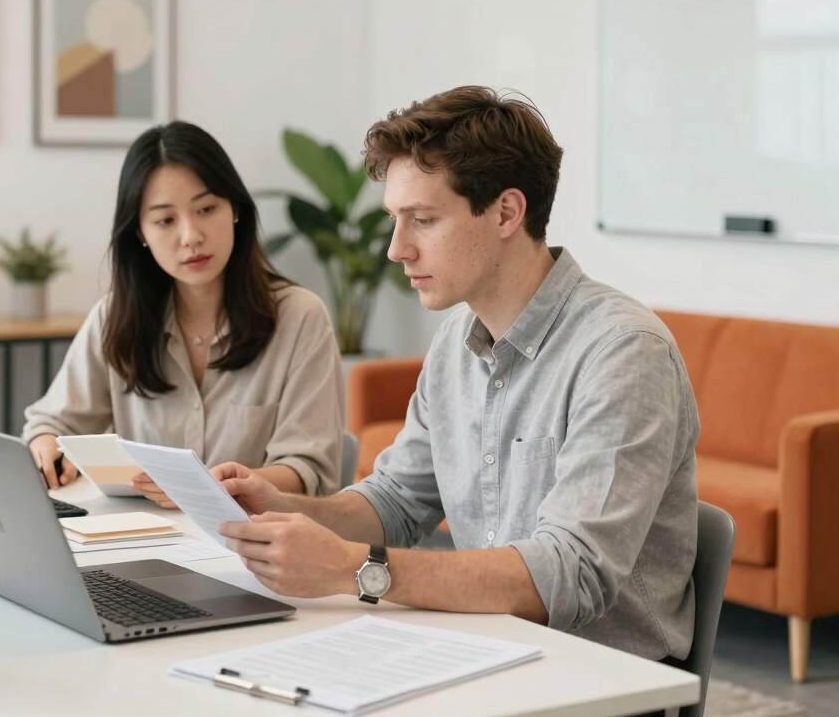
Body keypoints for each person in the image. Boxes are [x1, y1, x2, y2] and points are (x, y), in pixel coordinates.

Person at [216, 85, 699, 666]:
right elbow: (397, 501)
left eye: (423, 219)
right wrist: (286, 511)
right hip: (485, 651)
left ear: (506, 212)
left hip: (598, 680)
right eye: (396, 219)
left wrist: (353, 569)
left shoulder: (622, 352)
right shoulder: (456, 343)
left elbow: (572, 575)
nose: (397, 249)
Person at [23, 121, 344, 505]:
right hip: (141, 539)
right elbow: (55, 423)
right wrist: (45, 445)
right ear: (140, 233)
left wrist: (205, 489)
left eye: (206, 209)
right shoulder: (116, 317)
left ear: (235, 210)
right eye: (165, 220)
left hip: (256, 543)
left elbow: (309, 469)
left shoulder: (300, 318)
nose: (191, 236)